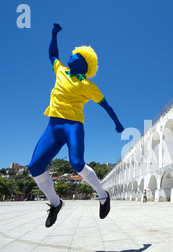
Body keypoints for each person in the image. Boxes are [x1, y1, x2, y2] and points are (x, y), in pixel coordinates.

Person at [28, 23, 124, 228]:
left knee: (77, 163)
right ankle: (55, 204)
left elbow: (106, 106)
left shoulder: (87, 85)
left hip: (73, 126)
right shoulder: (61, 70)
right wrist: (54, 34)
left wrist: (118, 124)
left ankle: (103, 195)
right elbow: (52, 54)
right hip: (53, 126)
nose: (71, 56)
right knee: (35, 167)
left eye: (76, 55)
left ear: (84, 64)